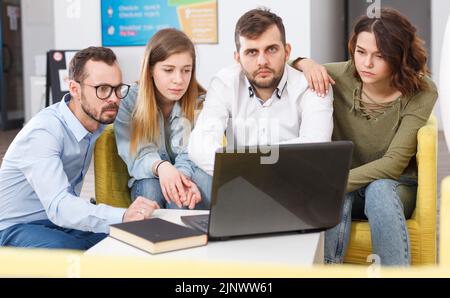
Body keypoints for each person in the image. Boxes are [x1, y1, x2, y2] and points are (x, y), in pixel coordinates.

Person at [292, 8, 438, 266]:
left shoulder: (421, 90)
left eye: (380, 55)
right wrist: (305, 62)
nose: (366, 64)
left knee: (377, 189)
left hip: (394, 187)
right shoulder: (338, 76)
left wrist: (332, 182)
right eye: (361, 52)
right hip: (344, 190)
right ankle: (328, 270)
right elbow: (288, 70)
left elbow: (393, 163)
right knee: (341, 189)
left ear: (400, 56)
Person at [0, 47, 160, 250]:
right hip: (14, 227)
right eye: (102, 89)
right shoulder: (44, 132)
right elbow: (59, 206)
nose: (114, 98)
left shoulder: (98, 118)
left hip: (58, 223)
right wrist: (122, 215)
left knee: (122, 243)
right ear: (74, 89)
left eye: (118, 88)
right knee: (74, 254)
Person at [188, 8, 334, 195]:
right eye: (251, 52)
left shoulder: (312, 84)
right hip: (242, 185)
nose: (262, 61)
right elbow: (199, 144)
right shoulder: (225, 82)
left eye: (271, 49)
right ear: (237, 58)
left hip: (295, 184)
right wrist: (248, 172)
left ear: (287, 51)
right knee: (199, 177)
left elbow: (316, 146)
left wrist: (246, 163)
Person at [115, 29, 209, 210]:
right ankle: (152, 236)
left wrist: (179, 177)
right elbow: (136, 154)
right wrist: (162, 167)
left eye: (186, 70)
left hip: (188, 172)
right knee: (150, 188)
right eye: (168, 70)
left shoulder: (200, 103)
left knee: (181, 196)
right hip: (150, 174)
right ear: (150, 69)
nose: (179, 80)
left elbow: (191, 153)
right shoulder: (129, 100)